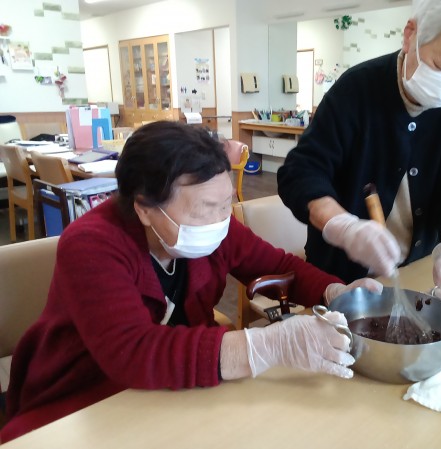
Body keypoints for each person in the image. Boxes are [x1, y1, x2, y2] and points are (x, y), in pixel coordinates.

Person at [0, 121, 380, 443]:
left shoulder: (217, 227)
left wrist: (335, 292)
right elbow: (131, 352)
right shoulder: (91, 245)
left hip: (177, 387)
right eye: (205, 209)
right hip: (86, 395)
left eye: (226, 203)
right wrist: (265, 346)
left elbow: (279, 265)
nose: (221, 219)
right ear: (144, 208)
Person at [277, 0, 441, 297]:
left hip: (417, 273)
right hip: (340, 279)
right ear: (411, 35)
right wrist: (343, 226)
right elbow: (301, 171)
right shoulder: (357, 89)